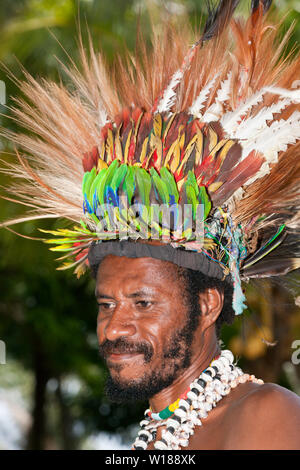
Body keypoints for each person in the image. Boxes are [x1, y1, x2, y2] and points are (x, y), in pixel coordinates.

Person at [1, 0, 300, 449]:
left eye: (142, 303)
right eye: (106, 305)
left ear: (208, 306)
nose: (115, 328)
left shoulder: (265, 415)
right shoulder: (156, 432)